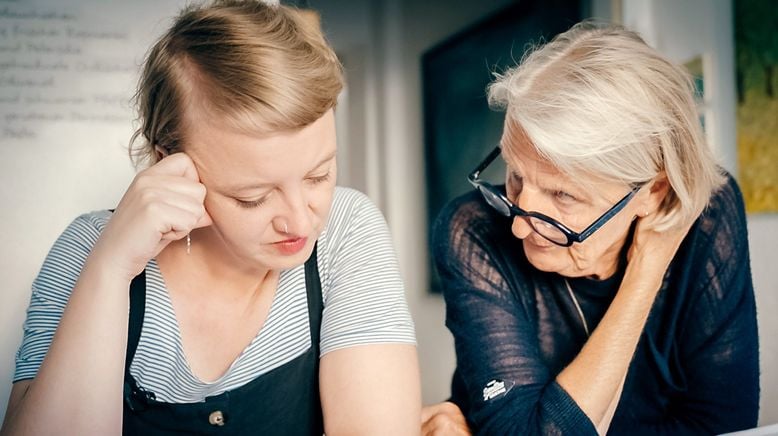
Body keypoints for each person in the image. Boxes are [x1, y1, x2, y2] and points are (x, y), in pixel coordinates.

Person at [1, 1, 420, 434]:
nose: (300, 222)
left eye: (319, 175)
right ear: (170, 165)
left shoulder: (345, 230)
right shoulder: (90, 248)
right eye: (252, 197)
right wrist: (110, 270)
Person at [421, 22, 759, 435]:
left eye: (563, 196)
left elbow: (725, 425)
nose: (519, 229)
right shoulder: (471, 231)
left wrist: (648, 266)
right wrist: (646, 270)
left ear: (653, 191)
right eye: (515, 176)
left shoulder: (708, 213)